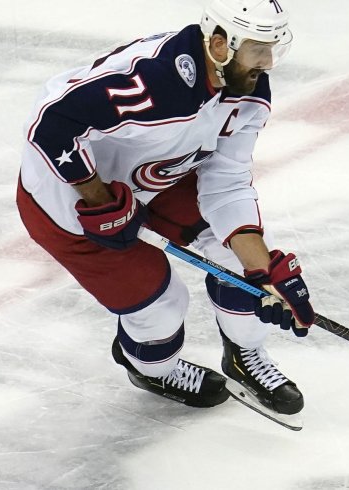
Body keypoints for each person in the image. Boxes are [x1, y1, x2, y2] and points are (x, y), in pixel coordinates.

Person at [16, 0, 314, 420]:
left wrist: (264, 272)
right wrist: (99, 198)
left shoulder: (248, 92)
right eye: (258, 49)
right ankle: (152, 369)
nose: (267, 63)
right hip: (68, 206)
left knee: (243, 262)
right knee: (162, 303)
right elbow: (51, 123)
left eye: (273, 49)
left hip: (158, 178)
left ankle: (244, 353)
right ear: (219, 44)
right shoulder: (152, 81)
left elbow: (226, 183)